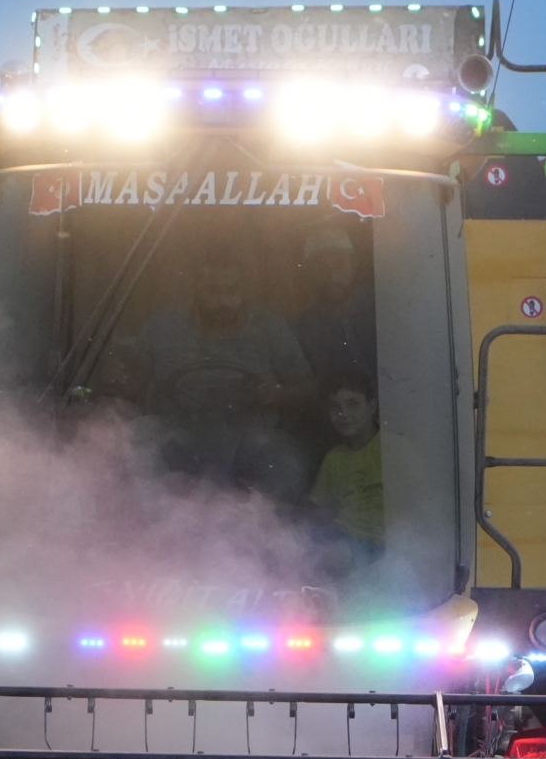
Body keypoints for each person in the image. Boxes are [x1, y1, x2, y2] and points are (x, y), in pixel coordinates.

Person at [126, 244, 312, 496]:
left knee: (284, 459)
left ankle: (270, 528)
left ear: (243, 290)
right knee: (138, 436)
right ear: (194, 289)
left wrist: (276, 394)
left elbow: (307, 386)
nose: (223, 301)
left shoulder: (270, 328)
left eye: (232, 290)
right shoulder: (161, 328)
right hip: (178, 435)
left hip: (249, 441)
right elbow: (131, 384)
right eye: (212, 291)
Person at [309, 375, 385, 569]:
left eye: (353, 404)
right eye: (335, 407)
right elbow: (322, 511)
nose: (343, 414)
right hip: (342, 535)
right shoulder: (333, 459)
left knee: (333, 556)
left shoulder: (392, 450)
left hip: (381, 545)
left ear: (372, 406)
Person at [292, 227, 375, 393]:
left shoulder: (382, 304)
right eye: (321, 267)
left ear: (354, 264)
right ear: (309, 273)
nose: (331, 275)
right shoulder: (302, 330)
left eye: (339, 263)